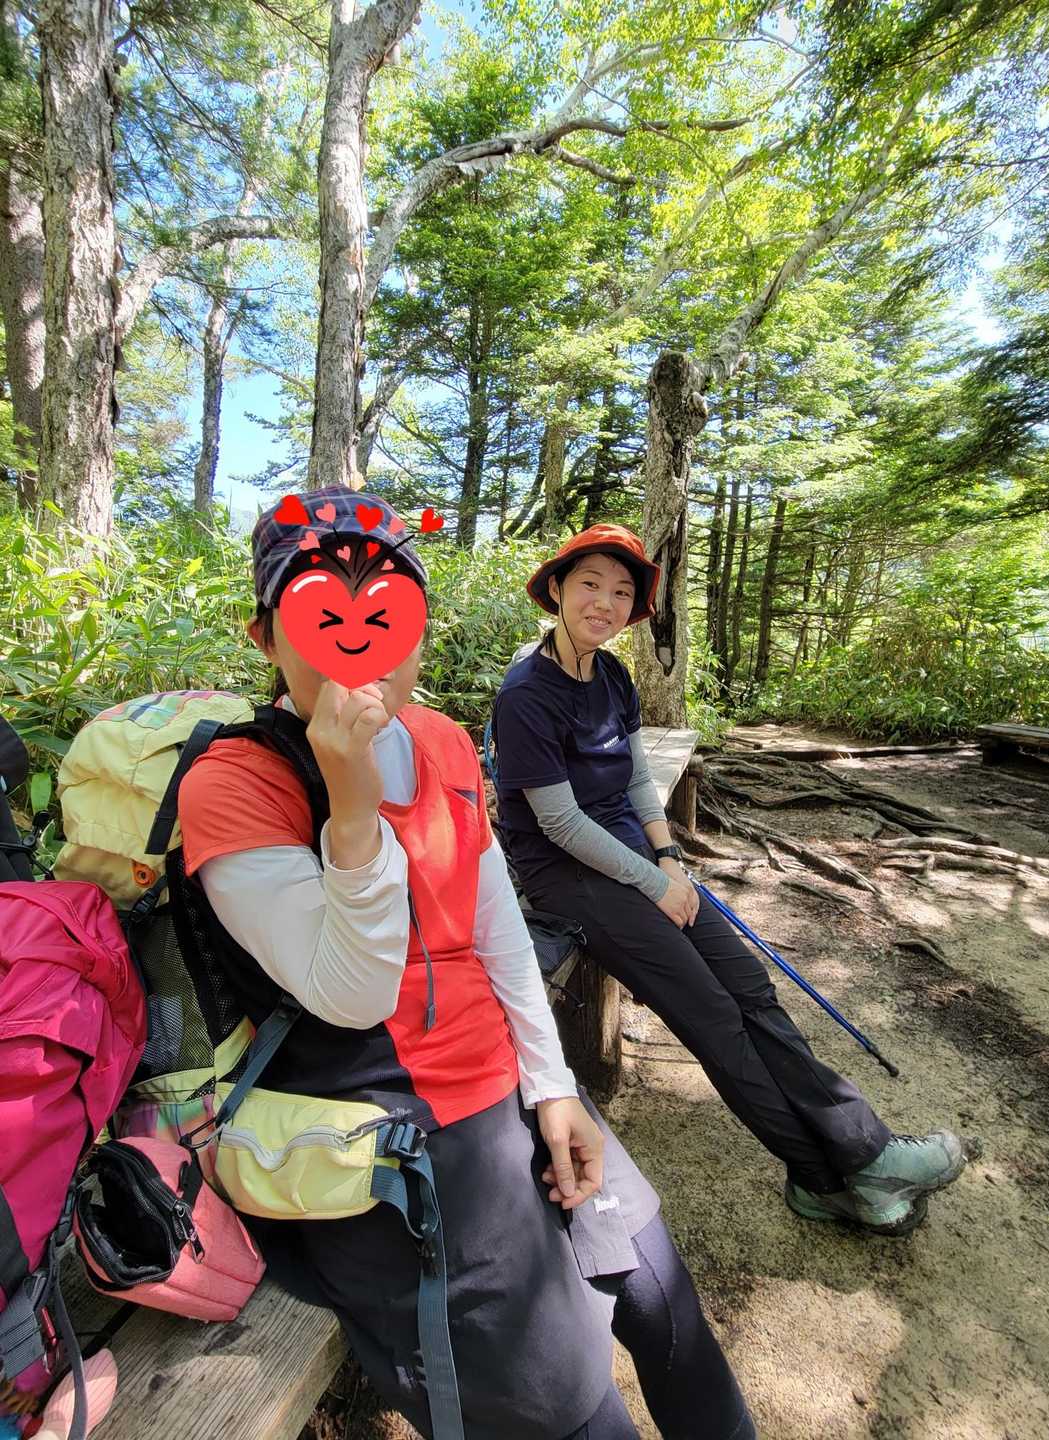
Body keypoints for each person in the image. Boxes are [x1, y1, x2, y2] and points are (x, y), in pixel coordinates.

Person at [173, 488, 756, 1440]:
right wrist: (352, 809)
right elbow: (354, 995)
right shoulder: (235, 785)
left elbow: (497, 932)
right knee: (567, 1405)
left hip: (502, 1081)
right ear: (266, 636)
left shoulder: (442, 741)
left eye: (387, 612)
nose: (357, 647)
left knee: (660, 1297)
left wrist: (553, 1085)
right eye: (319, 614)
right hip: (381, 1127)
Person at [491, 523, 978, 1238]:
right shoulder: (527, 694)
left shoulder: (614, 676)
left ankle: (864, 1155)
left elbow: (634, 780)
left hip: (632, 855)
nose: (605, 602)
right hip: (565, 874)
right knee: (712, 1014)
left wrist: (668, 859)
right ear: (557, 589)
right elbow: (559, 824)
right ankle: (823, 1178)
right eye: (589, 583)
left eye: (622, 592)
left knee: (749, 988)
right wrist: (653, 883)